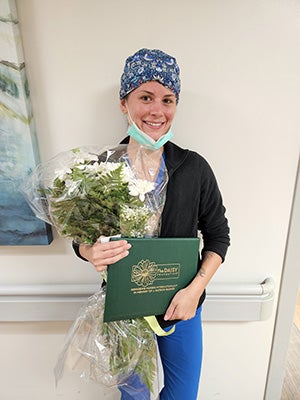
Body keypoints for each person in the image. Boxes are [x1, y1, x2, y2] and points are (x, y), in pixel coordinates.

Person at [73, 48, 230, 400]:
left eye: (168, 99)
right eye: (145, 97)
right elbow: (80, 240)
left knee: (183, 395)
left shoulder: (194, 168)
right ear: (123, 102)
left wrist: (193, 292)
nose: (157, 110)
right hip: (125, 306)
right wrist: (89, 251)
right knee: (135, 398)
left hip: (182, 304)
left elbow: (219, 237)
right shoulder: (101, 170)